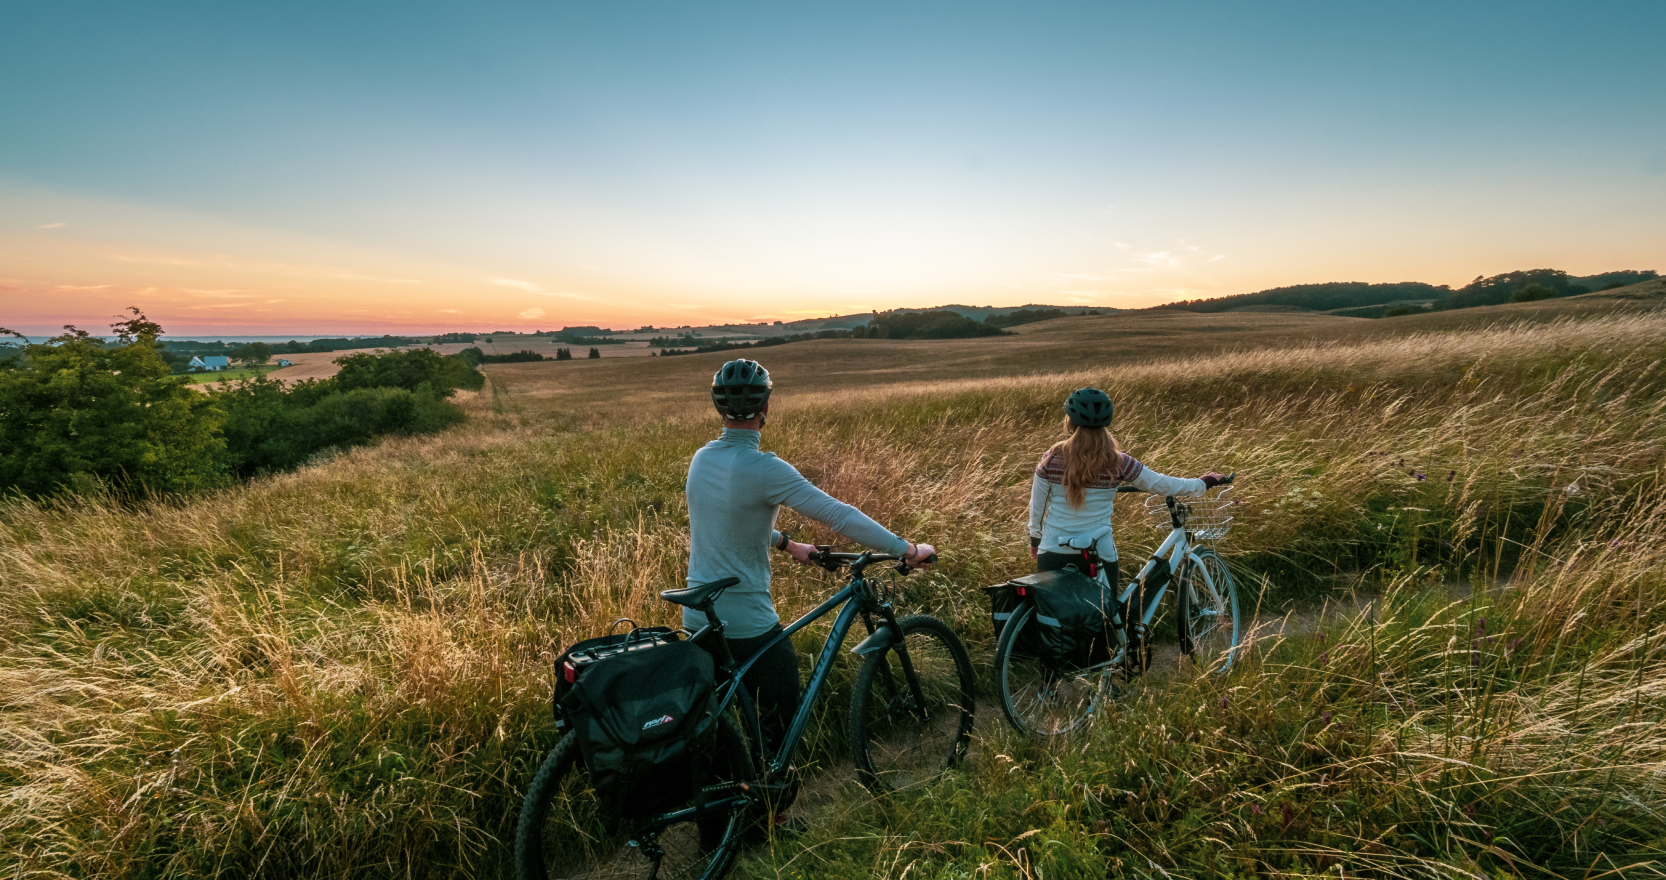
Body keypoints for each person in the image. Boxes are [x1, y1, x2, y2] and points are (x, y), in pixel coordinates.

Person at [687, 358, 935, 763]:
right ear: (766, 408)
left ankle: (731, 801)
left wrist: (787, 543)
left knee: (723, 723)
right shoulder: (765, 468)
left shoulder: (702, 459)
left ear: (718, 408)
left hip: (698, 616)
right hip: (744, 619)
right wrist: (907, 550)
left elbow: (728, 520)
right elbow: (839, 515)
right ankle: (775, 810)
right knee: (780, 712)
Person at [1028, 387, 1228, 650]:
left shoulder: (1052, 457)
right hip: (1097, 550)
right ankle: (1105, 669)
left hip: (1053, 548)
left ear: (1070, 422)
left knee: (1054, 619)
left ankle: (1049, 686)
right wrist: (1203, 483)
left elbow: (1037, 505)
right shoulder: (1118, 462)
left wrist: (1035, 539)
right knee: (1104, 615)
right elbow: (1162, 484)